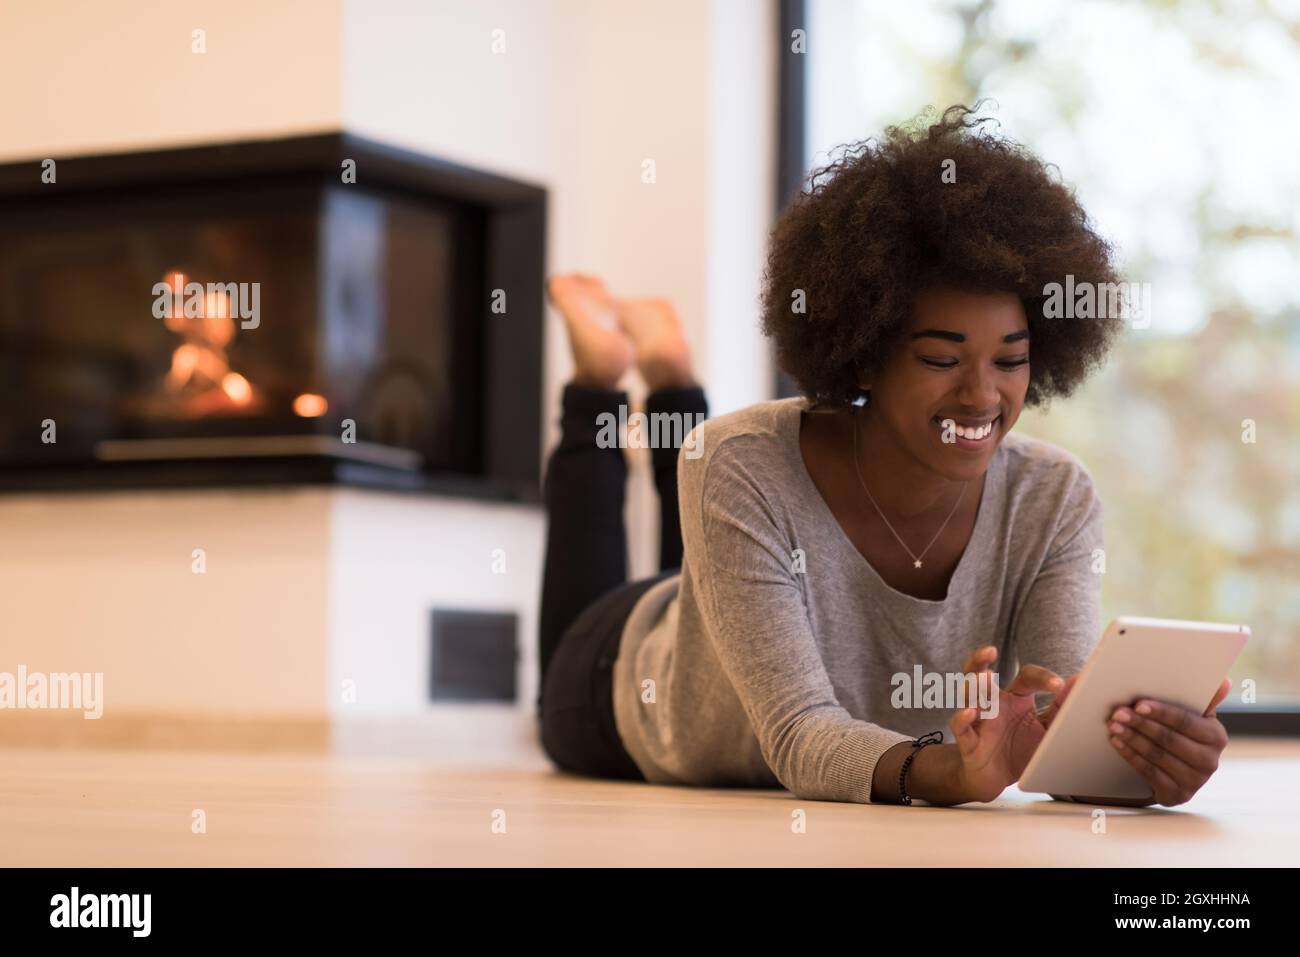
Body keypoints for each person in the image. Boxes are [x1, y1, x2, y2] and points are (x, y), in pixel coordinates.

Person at [536, 105, 1232, 807]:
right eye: (940, 357)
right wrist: (948, 775)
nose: (980, 394)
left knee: (698, 524)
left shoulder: (1053, 499)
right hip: (618, 679)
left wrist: (1134, 758)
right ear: (864, 356)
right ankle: (601, 379)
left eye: (1011, 360)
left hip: (723, 589)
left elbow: (1054, 724)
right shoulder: (742, 461)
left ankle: (667, 370)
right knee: (671, 514)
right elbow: (800, 736)